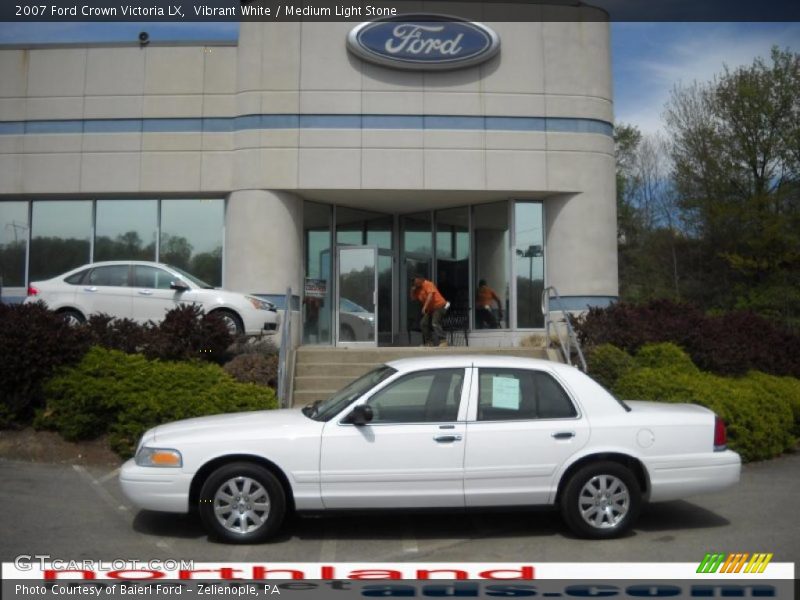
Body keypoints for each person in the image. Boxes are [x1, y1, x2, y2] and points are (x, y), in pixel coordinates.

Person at [410, 274, 449, 347]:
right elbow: (413, 299)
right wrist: (412, 291)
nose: (415, 283)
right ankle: (429, 342)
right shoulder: (417, 289)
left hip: (440, 306)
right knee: (423, 323)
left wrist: (425, 307)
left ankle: (443, 341)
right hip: (431, 309)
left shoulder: (428, 284)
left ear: (420, 279)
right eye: (413, 282)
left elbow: (430, 296)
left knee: (435, 322)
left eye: (415, 281)